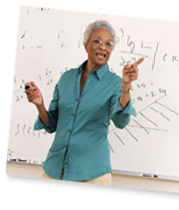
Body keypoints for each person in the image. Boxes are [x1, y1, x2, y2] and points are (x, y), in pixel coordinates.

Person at [25, 20, 144, 185]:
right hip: (54, 168)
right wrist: (39, 104)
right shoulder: (66, 78)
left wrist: (126, 86)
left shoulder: (115, 82)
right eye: (97, 41)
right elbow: (51, 124)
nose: (103, 47)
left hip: (92, 174)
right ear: (86, 46)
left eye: (108, 44)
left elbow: (121, 121)